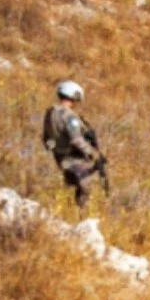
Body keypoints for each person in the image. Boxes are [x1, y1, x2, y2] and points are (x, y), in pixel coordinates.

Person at [41, 80, 103, 212]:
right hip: (72, 156)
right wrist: (92, 153)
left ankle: (68, 210)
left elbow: (46, 138)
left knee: (70, 185)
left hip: (60, 156)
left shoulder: (51, 113)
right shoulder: (70, 116)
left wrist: (55, 150)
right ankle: (81, 212)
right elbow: (76, 140)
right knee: (86, 185)